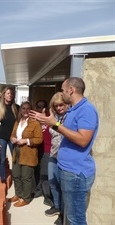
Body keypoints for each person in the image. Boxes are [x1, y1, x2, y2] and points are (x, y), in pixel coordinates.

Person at [29, 77, 99, 225]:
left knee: (76, 219)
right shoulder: (73, 110)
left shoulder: (86, 110)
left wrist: (54, 124)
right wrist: (49, 122)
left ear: (71, 90)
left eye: (62, 89)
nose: (61, 92)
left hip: (76, 174)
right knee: (70, 215)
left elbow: (82, 140)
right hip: (67, 170)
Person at [8, 101, 43, 207]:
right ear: (20, 110)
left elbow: (39, 139)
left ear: (31, 110)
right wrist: (13, 139)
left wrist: (26, 141)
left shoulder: (35, 123)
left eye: (28, 108)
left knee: (25, 177)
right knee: (16, 175)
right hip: (17, 152)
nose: (25, 111)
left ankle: (26, 198)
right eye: (23, 108)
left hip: (28, 153)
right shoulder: (18, 122)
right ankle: (18, 194)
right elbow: (12, 135)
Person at [44, 92, 69, 225]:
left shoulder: (69, 117)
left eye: (61, 105)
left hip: (65, 157)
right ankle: (57, 206)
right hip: (53, 154)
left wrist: (53, 123)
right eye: (56, 106)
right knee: (53, 182)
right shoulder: (55, 117)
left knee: (63, 186)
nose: (59, 108)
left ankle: (63, 214)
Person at [0, 87, 18, 184]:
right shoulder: (0, 108)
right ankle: (3, 179)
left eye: (11, 93)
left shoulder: (17, 108)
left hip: (13, 138)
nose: (9, 95)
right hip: (2, 137)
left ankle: (16, 177)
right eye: (7, 93)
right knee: (2, 159)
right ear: (4, 95)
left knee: (15, 159)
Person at [33, 100, 53, 207]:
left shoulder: (50, 120)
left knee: (46, 174)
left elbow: (58, 129)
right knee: (39, 172)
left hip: (48, 151)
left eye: (42, 106)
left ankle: (48, 197)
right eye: (38, 107)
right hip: (37, 150)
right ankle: (40, 189)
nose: (40, 109)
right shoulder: (35, 121)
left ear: (45, 108)